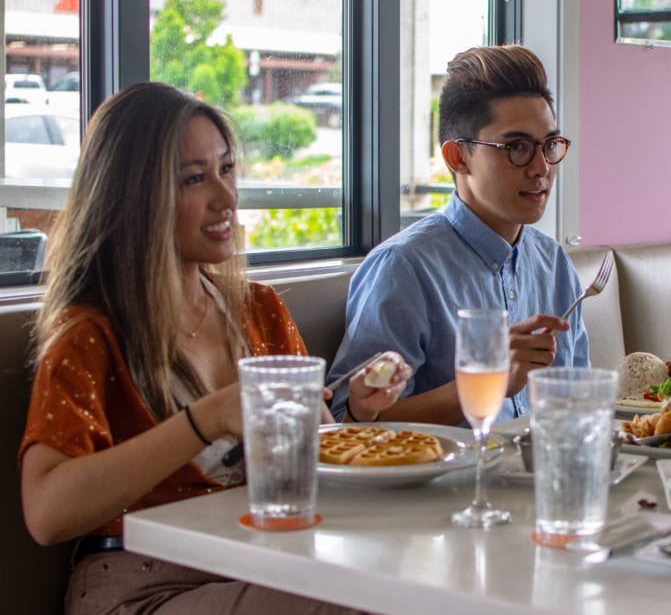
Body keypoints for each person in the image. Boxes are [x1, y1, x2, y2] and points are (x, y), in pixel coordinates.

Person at [18, 82, 409, 615]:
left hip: (263, 562)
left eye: (226, 170)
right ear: (134, 195)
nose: (226, 198)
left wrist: (358, 413)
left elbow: (314, 451)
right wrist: (207, 419)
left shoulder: (258, 308)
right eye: (194, 179)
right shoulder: (88, 333)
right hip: (140, 585)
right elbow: (46, 513)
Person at [329, 44, 590, 425]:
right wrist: (489, 378)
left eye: (548, 145)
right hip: (452, 481)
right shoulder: (404, 266)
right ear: (457, 157)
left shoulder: (553, 263)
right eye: (516, 147)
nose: (541, 168)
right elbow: (349, 422)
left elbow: (579, 399)